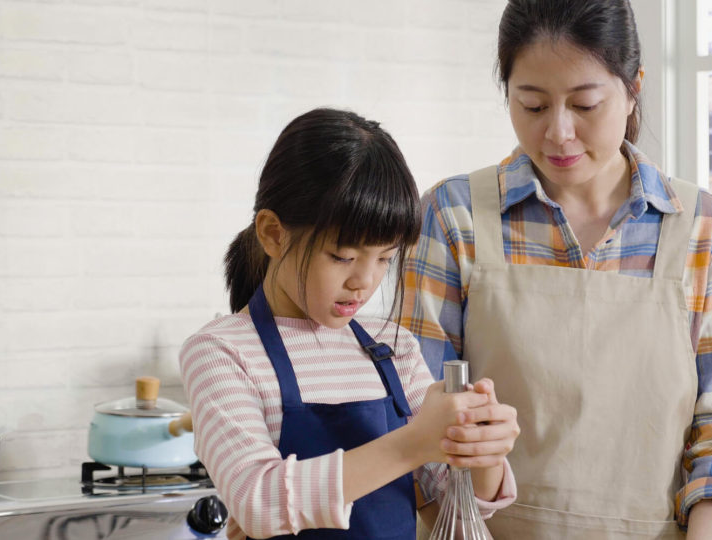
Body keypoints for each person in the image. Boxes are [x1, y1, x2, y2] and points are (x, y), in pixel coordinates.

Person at [402, 1, 712, 538]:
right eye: (531, 106)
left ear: (633, 87)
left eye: (585, 104)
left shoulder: (701, 227)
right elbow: (417, 420)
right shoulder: (453, 215)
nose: (559, 133)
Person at [179, 108, 520, 540]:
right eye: (343, 257)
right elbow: (258, 500)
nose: (364, 282)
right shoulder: (223, 352)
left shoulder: (391, 346)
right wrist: (416, 441)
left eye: (384, 259)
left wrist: (481, 447)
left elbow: (454, 498)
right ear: (272, 234)